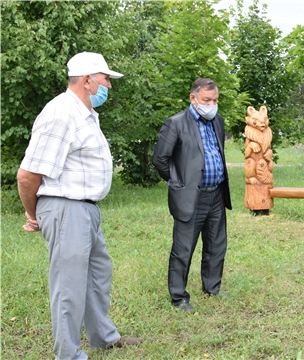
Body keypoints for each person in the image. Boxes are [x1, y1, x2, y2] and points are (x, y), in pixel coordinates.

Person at [17, 52, 142, 359]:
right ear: (87, 81)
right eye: (105, 79)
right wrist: (33, 215)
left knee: (98, 272)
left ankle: (103, 336)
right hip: (65, 208)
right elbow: (28, 174)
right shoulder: (61, 113)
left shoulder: (85, 113)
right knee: (69, 285)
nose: (108, 87)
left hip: (85, 208)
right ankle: (68, 354)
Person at [152, 78, 232, 312]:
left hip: (216, 193)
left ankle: (212, 287)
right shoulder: (175, 123)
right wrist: (179, 182)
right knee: (183, 248)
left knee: (216, 244)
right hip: (191, 197)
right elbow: (160, 159)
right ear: (193, 98)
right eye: (207, 100)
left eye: (215, 100)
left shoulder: (218, 121)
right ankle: (179, 297)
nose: (212, 104)